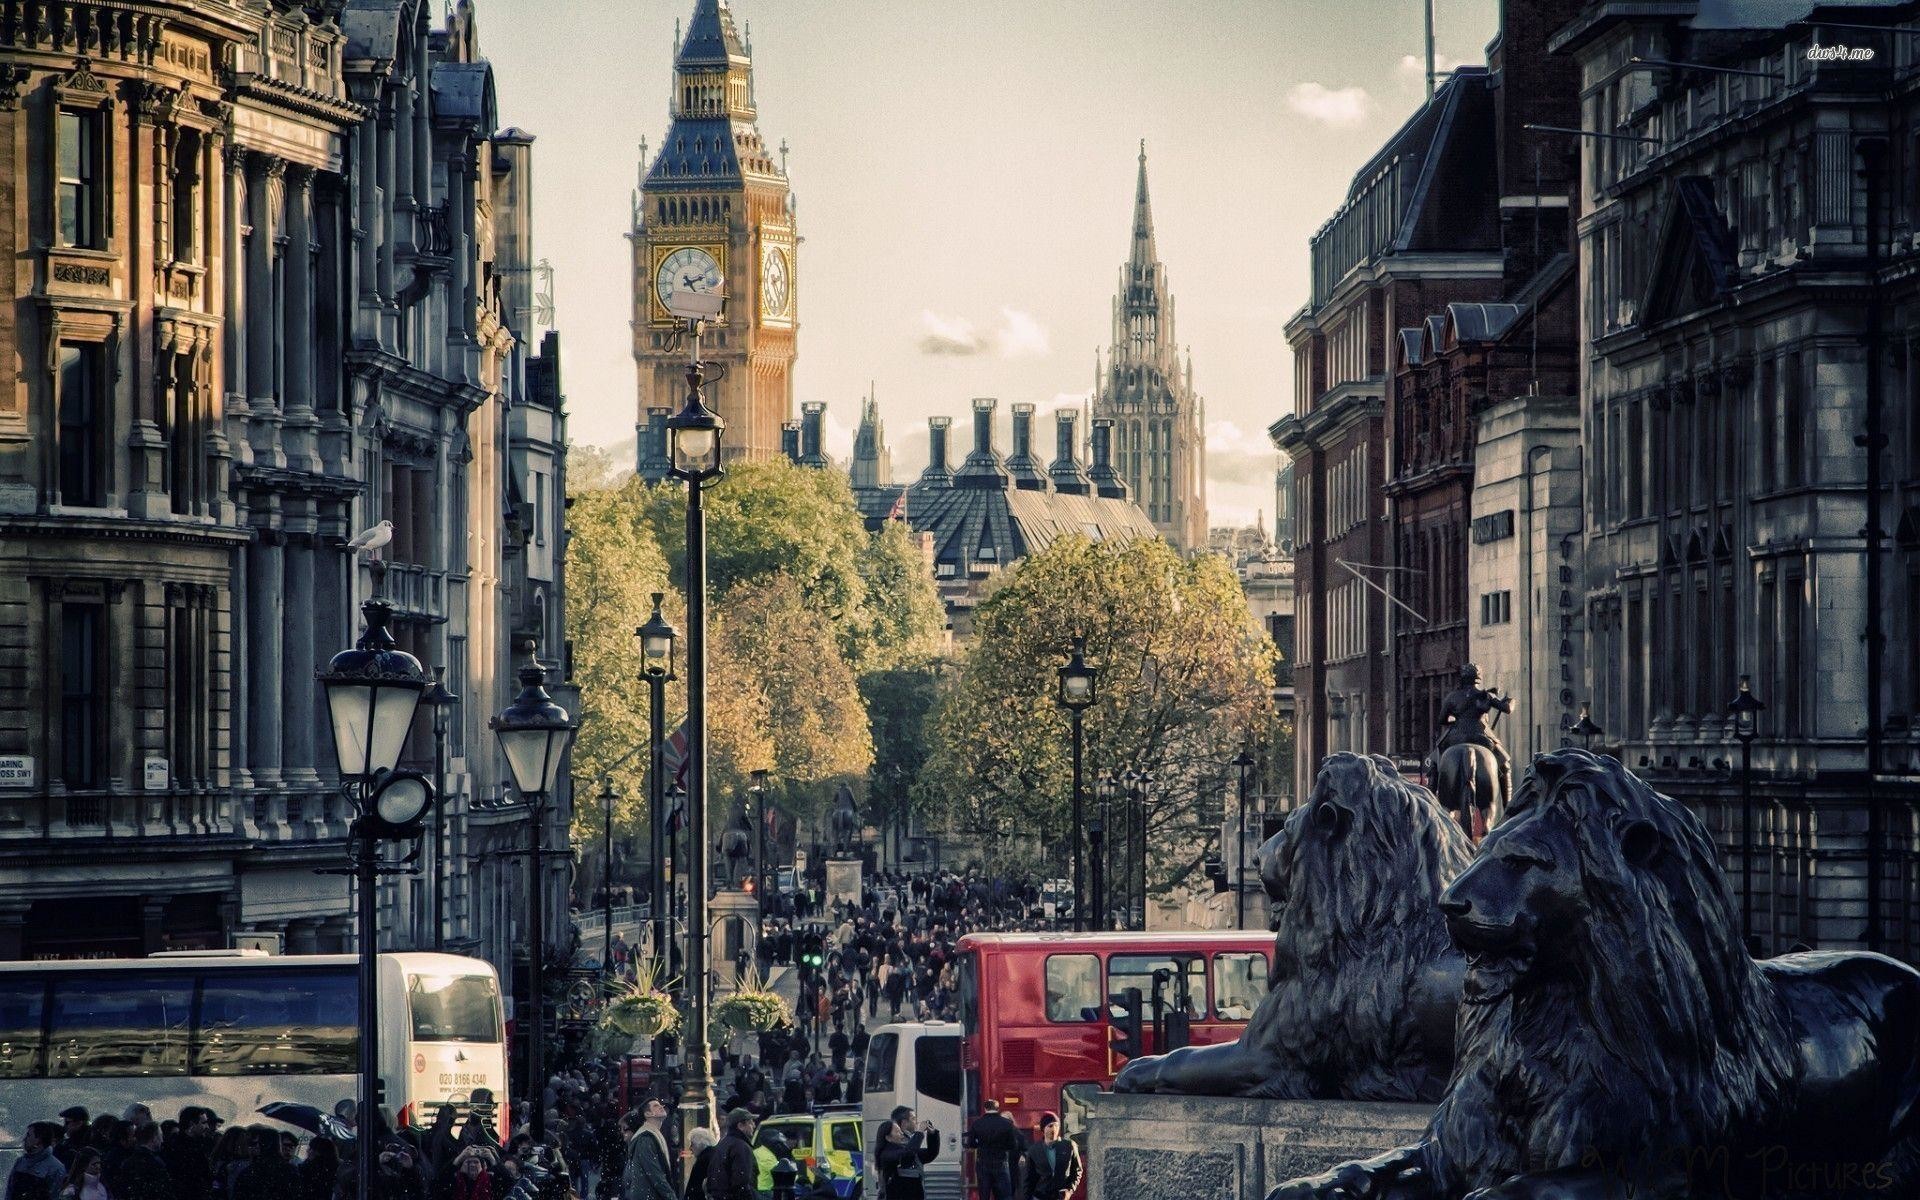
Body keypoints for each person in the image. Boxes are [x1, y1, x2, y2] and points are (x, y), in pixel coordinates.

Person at [874, 1108, 938, 1200]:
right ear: (888, 1138)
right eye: (897, 1131)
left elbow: (930, 1154)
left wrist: (932, 1134)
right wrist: (919, 1132)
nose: (901, 1133)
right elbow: (908, 1153)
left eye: (900, 1130)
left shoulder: (904, 1150)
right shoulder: (886, 1155)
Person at [965, 1100, 1022, 1200]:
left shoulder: (977, 1123)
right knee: (1005, 1195)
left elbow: (971, 1144)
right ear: (998, 1108)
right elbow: (1013, 1145)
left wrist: (980, 1144)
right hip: (1001, 1163)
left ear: (985, 1109)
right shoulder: (1007, 1124)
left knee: (984, 1195)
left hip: (983, 1163)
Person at [1015, 1115, 1079, 1200]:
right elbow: (1029, 1178)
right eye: (1050, 1126)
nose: (1054, 1129)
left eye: (1056, 1125)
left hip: (1061, 1196)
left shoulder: (1069, 1146)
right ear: (1043, 1128)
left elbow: (1077, 1171)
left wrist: (1069, 1190)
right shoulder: (1034, 1150)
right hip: (1040, 1195)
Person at [621, 1100, 675, 1200]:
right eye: (655, 1106)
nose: (661, 1107)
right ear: (647, 1114)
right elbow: (655, 1173)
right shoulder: (645, 1139)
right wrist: (671, 1196)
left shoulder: (652, 1136)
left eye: (660, 1105)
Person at [705, 1110, 756, 1200]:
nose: (754, 1126)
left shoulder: (721, 1145)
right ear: (740, 1126)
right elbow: (741, 1182)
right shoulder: (741, 1147)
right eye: (750, 1123)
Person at [9, 1124, 70, 1200]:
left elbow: (55, 1196)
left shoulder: (56, 1168)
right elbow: (10, 1192)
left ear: (38, 1140)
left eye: (29, 1135)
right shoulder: (21, 1161)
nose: (24, 1139)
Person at [684, 1129, 716, 1200]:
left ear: (699, 1143)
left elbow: (695, 1186)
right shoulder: (714, 1155)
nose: (690, 1148)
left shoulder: (703, 1160)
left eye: (692, 1144)